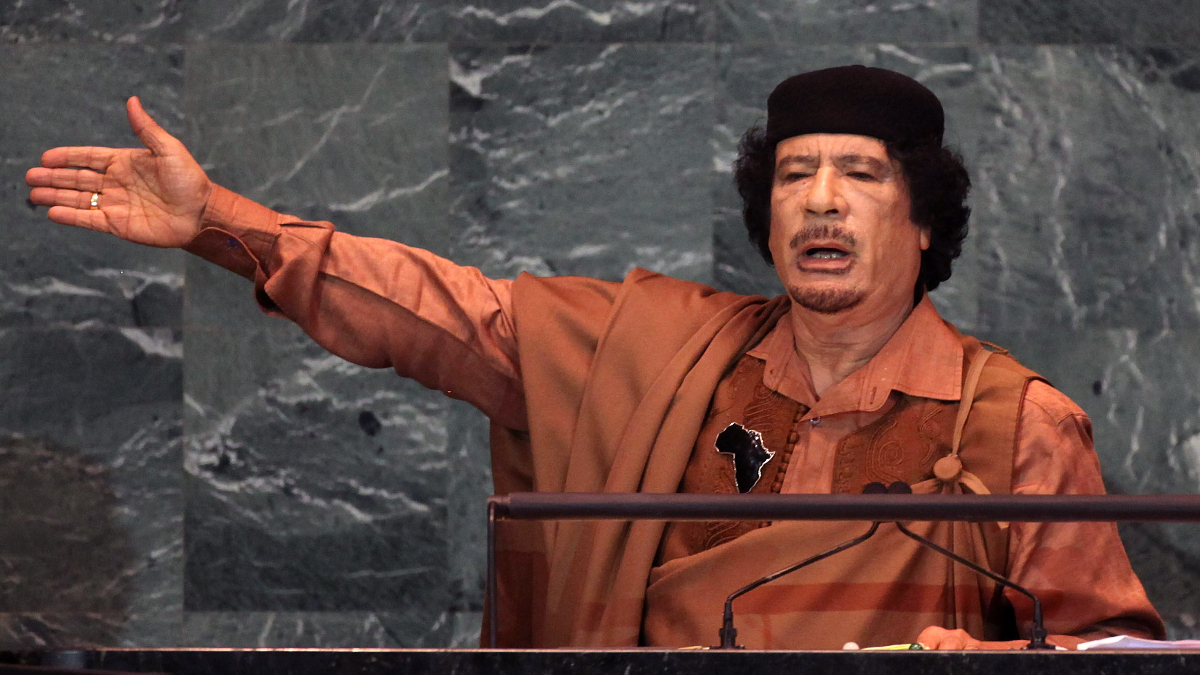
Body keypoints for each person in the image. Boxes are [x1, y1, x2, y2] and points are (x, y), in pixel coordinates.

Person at [26, 65, 1163, 650]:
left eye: (860, 176)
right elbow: (432, 306)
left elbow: (1121, 649)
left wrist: (995, 658)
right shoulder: (648, 351)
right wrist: (221, 218)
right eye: (794, 176)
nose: (820, 202)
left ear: (925, 221)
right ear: (765, 218)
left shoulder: (1013, 421)